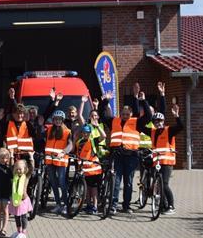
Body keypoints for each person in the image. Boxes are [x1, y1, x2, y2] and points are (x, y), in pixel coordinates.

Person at [101, 83, 153, 214]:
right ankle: (113, 205)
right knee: (116, 181)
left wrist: (143, 101)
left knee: (128, 182)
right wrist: (105, 100)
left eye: (127, 114)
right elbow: (102, 115)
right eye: (123, 113)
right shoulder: (114, 121)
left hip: (131, 156)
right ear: (121, 113)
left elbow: (148, 116)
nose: (125, 115)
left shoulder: (136, 122)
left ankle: (126, 205)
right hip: (117, 154)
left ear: (131, 114)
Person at [152, 81, 183, 214]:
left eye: (160, 121)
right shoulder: (153, 132)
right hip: (157, 162)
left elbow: (180, 127)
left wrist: (177, 117)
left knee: (164, 184)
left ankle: (171, 206)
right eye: (156, 121)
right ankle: (163, 206)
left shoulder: (168, 130)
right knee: (158, 185)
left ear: (163, 121)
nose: (158, 123)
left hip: (167, 162)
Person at [45, 110, 74, 215]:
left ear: (62, 120)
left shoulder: (67, 131)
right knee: (53, 182)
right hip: (50, 160)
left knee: (62, 183)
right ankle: (58, 204)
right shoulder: (49, 130)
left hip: (61, 161)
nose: (57, 121)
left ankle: (65, 205)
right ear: (53, 120)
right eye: (56, 119)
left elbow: (70, 145)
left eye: (59, 119)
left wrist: (64, 152)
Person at [76, 124, 103, 213]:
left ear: (90, 133)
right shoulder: (79, 142)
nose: (85, 134)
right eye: (84, 132)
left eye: (87, 133)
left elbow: (103, 136)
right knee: (87, 188)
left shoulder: (93, 141)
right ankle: (88, 205)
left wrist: (98, 127)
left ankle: (95, 207)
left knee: (94, 189)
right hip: (84, 170)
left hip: (94, 170)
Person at [9, 159, 33, 238]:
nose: (18, 170)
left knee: (23, 217)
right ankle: (18, 231)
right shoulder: (14, 175)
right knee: (16, 216)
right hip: (15, 200)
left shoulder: (26, 176)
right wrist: (12, 156)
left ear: (25, 169)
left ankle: (23, 232)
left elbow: (31, 168)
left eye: (20, 169)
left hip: (23, 201)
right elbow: (11, 166)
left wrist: (31, 158)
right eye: (17, 169)